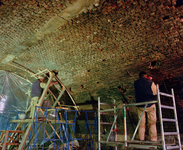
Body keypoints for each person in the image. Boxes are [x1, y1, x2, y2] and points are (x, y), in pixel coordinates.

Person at [134, 71, 157, 142]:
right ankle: (153, 139)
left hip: (140, 105)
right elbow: (155, 93)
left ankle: (141, 139)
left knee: (141, 123)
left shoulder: (136, 83)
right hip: (150, 104)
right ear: (146, 76)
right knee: (152, 123)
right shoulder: (150, 82)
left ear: (139, 76)